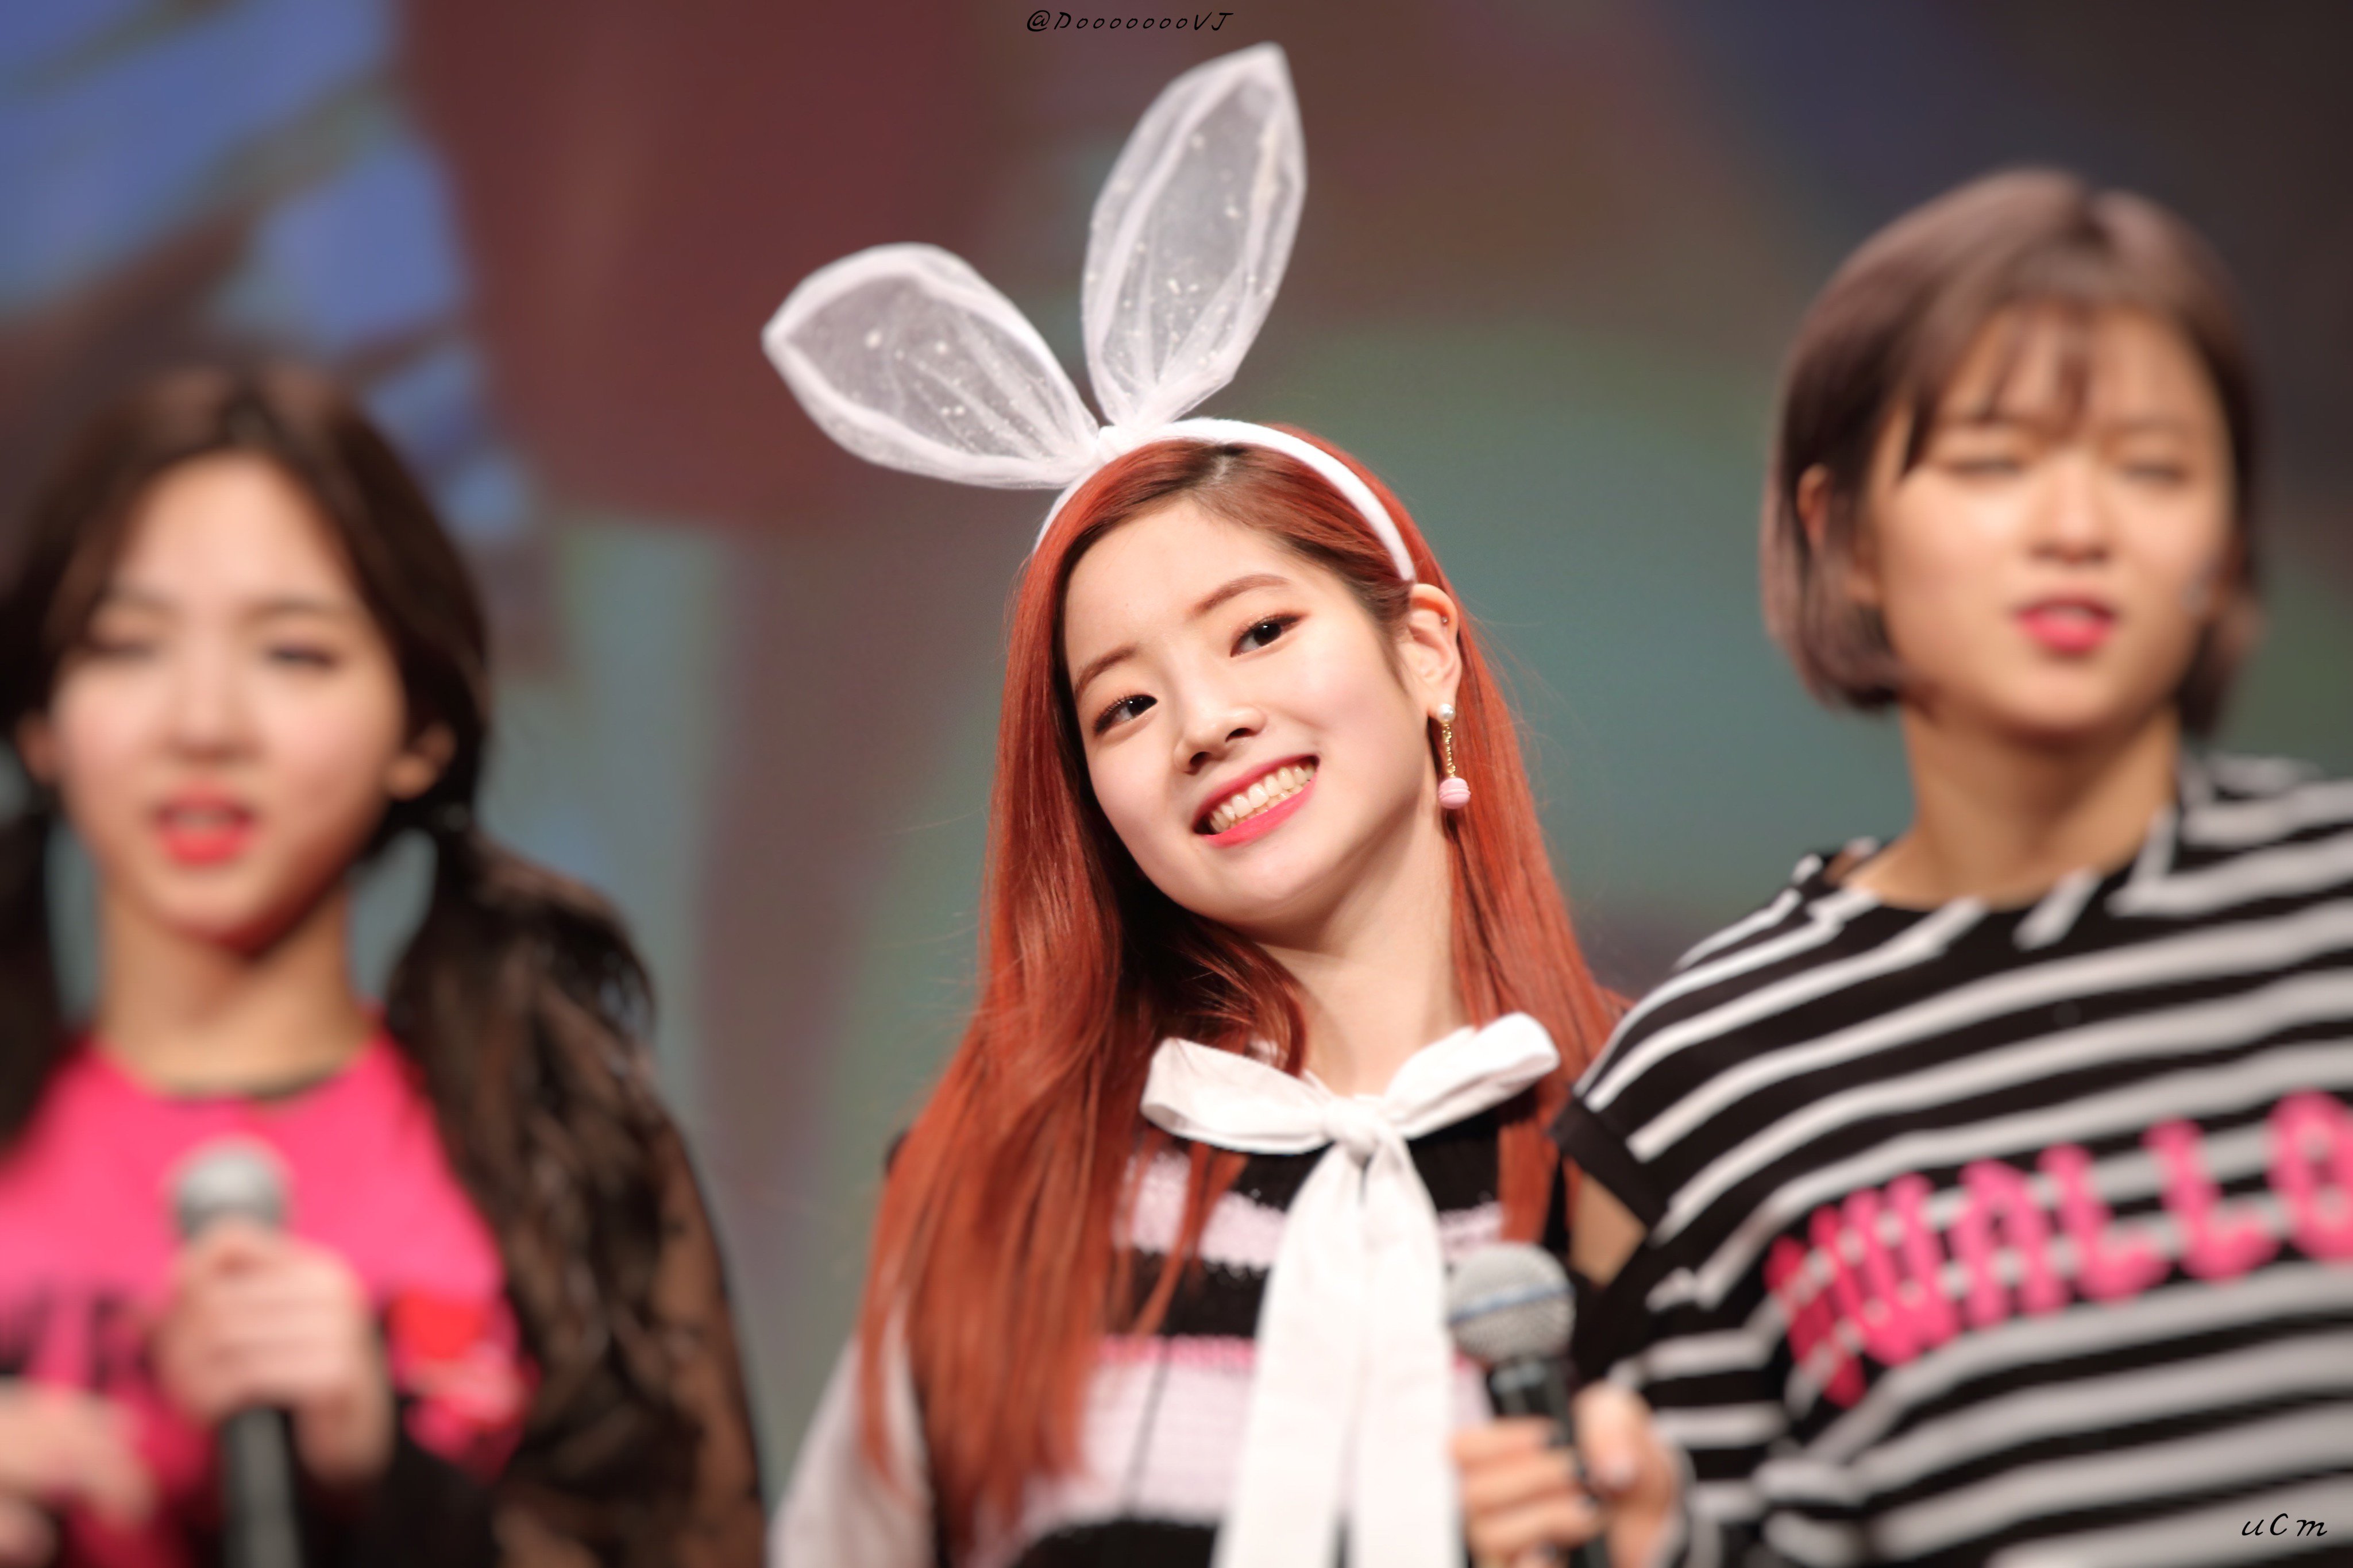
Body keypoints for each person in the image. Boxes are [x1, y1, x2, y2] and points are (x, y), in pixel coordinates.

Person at [762, 42, 1665, 1568]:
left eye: (1256, 633)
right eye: (1122, 705)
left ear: (1424, 652)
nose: (1204, 723)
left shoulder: (1658, 1127)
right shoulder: (999, 1183)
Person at [1463, 168, 2353, 1565]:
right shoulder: (1702, 1084)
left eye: (2151, 466)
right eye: (1994, 460)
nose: (2077, 526)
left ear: (2224, 542)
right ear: (1843, 536)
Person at [0, 364, 765, 1567]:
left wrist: (398, 1488)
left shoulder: (561, 1148)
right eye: (129, 646)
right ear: (41, 721)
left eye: (293, 654)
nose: (203, 724)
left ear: (420, 729)